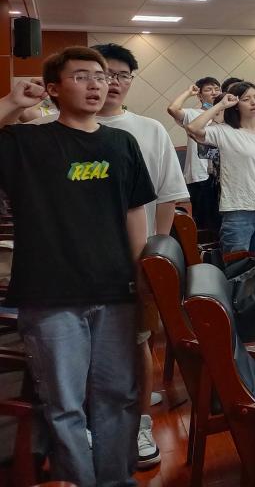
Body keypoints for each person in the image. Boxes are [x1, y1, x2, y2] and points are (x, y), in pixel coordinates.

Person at [0, 48, 155, 486]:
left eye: (101, 77)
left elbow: (135, 214)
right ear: (53, 88)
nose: (96, 84)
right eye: (82, 76)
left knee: (117, 397)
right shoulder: (27, 143)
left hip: (115, 291)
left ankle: (115, 480)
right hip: (49, 296)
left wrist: (142, 280)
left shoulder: (121, 144)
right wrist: (11, 102)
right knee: (64, 405)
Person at [92, 43, 189, 469]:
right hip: (76, 262)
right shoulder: (56, 128)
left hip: (133, 259)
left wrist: (155, 255)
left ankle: (139, 422)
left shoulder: (148, 130)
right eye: (103, 74)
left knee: (138, 341)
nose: (112, 83)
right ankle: (93, 424)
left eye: (122, 75)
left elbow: (169, 196)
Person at [186, 82, 255, 258]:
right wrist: (220, 105)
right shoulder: (224, 131)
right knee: (236, 267)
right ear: (236, 105)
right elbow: (193, 128)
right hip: (238, 210)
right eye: (246, 99)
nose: (254, 102)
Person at [167, 76, 221, 230]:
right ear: (200, 96)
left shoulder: (227, 116)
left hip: (221, 176)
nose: (214, 92)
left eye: (217, 89)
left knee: (222, 221)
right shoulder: (192, 114)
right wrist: (188, 92)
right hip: (200, 175)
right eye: (209, 89)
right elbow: (173, 109)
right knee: (205, 224)